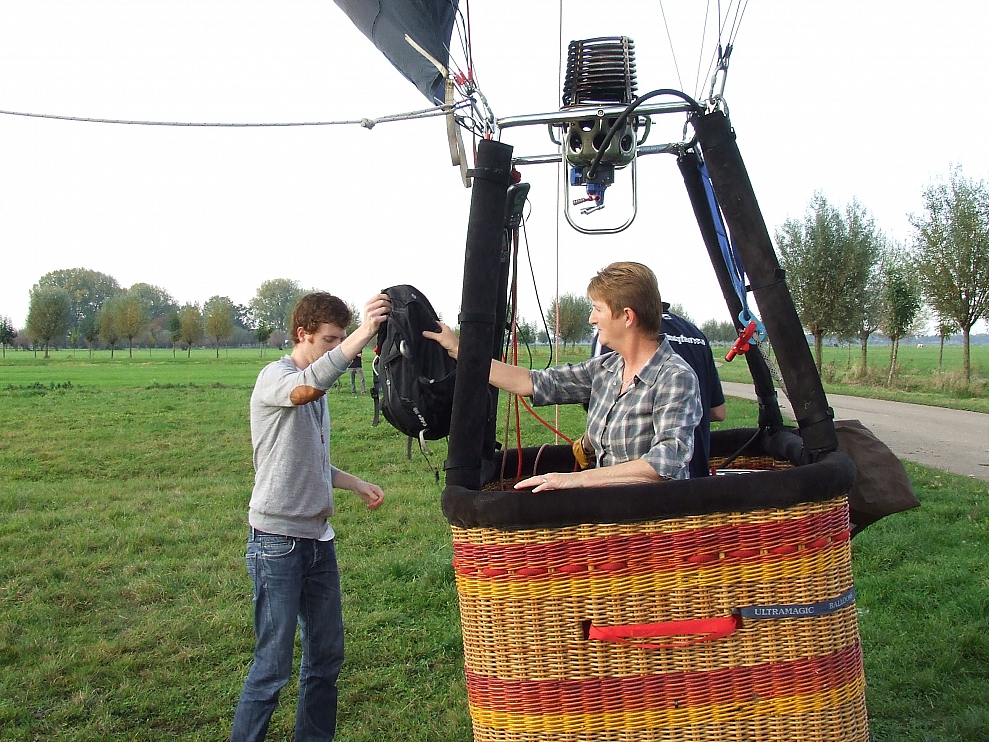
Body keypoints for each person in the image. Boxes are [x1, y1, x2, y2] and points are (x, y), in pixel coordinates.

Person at [231, 291, 391, 742]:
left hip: (319, 541)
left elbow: (312, 461)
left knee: (326, 659)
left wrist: (355, 483)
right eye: (329, 340)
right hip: (277, 543)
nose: (337, 348)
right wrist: (364, 333)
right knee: (272, 668)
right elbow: (305, 390)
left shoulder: (318, 392)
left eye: (341, 338)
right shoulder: (277, 378)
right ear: (302, 335)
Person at [425, 262, 702, 490]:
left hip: (653, 526)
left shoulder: (674, 378)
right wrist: (460, 350)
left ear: (627, 317)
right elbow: (533, 382)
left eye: (598, 309)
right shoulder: (606, 369)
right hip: (608, 517)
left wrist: (575, 480)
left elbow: (663, 463)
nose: (592, 318)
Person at [590, 303, 726, 478]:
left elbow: (602, 412)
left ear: (628, 313)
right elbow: (718, 411)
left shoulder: (616, 332)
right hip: (697, 478)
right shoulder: (696, 334)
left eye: (598, 308)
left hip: (639, 485)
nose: (593, 319)